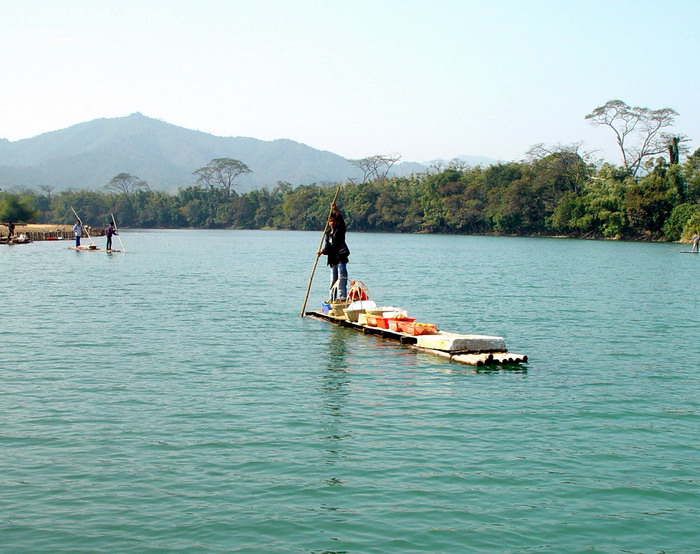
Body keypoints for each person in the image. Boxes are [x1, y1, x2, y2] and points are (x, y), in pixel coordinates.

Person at [318, 202, 350, 300]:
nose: (332, 223)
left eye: (334, 221)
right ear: (328, 222)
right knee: (333, 281)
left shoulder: (340, 230)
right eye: (330, 221)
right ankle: (332, 299)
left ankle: (342, 298)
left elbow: (341, 219)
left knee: (341, 280)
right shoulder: (328, 234)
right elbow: (328, 248)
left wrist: (335, 209)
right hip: (332, 260)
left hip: (341, 258)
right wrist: (322, 251)